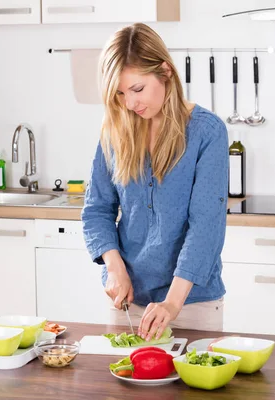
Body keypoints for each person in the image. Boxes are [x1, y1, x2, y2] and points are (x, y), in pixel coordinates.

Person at [81, 23, 229, 342]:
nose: (130, 104)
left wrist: (171, 304)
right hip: (129, 305)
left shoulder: (207, 132)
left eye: (137, 89)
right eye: (119, 94)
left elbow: (205, 226)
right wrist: (114, 266)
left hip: (191, 305)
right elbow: (96, 210)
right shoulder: (114, 132)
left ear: (165, 72)